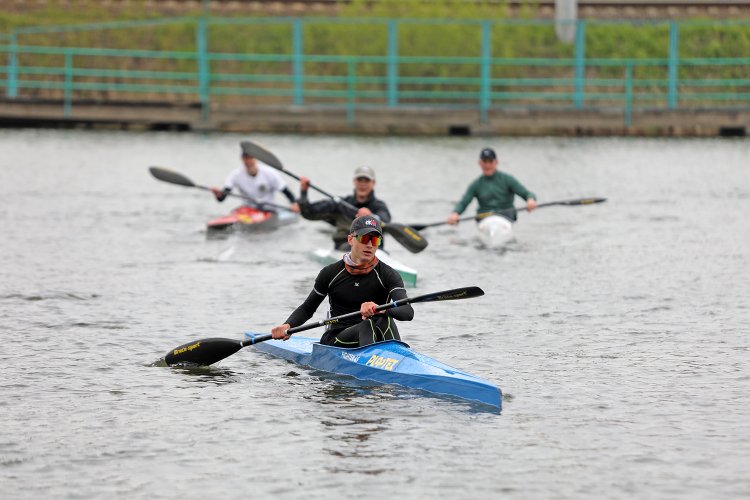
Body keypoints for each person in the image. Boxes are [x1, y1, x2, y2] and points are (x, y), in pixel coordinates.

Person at [271, 215, 413, 347]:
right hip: (337, 338)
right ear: (350, 239)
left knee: (385, 319)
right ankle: (371, 367)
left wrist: (381, 309)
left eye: (375, 240)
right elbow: (307, 308)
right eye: (365, 238)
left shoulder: (388, 274)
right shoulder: (330, 273)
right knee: (367, 324)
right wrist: (287, 325)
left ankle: (398, 361)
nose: (370, 245)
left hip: (374, 337)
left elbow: (407, 312)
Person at [298, 166, 390, 250]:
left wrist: (371, 217)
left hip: (375, 249)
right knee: (357, 245)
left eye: (366, 180)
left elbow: (386, 221)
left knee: (372, 244)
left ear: (373, 183)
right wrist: (304, 192)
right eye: (360, 180)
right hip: (344, 247)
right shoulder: (340, 204)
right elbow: (308, 213)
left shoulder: (379, 206)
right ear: (354, 181)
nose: (363, 184)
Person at [447, 147, 537, 224]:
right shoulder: (476, 184)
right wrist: (455, 213)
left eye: (490, 161)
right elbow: (463, 203)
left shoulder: (507, 180)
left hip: (505, 218)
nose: (487, 165)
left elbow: (527, 194)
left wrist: (530, 200)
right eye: (484, 162)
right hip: (485, 219)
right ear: (480, 163)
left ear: (496, 162)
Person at [211, 147, 300, 213]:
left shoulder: (270, 173)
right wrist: (218, 195)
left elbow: (286, 191)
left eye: (250, 158)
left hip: (268, 210)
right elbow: (222, 198)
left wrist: (294, 204)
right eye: (245, 158)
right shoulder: (235, 175)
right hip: (248, 210)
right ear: (242, 159)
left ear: (255, 159)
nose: (248, 161)